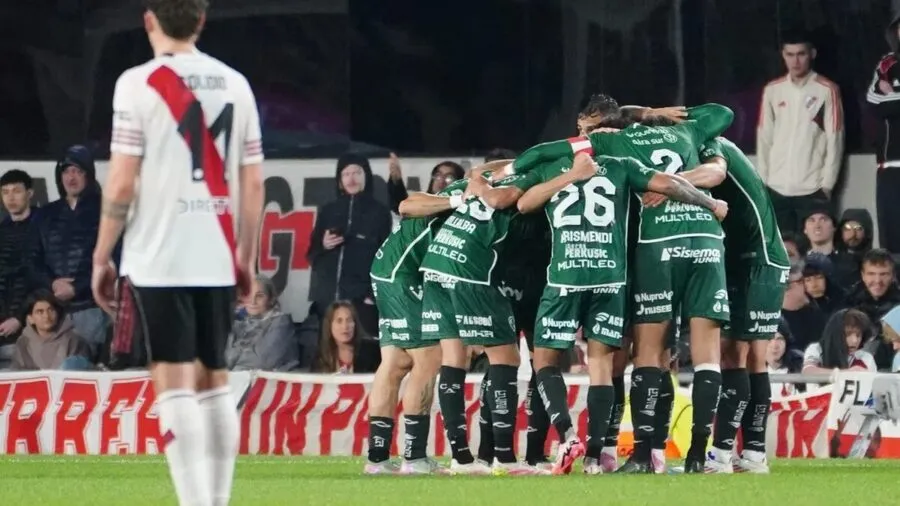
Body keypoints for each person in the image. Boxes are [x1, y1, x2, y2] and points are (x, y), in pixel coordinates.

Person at [89, 1, 264, 504]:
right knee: (213, 382)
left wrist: (103, 255)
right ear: (202, 21)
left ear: (149, 21)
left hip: (159, 253)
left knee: (174, 382)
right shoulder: (235, 83)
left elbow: (122, 181)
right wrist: (245, 257)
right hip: (215, 251)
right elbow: (253, 183)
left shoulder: (135, 83)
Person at [516, 148, 726, 475]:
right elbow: (669, 184)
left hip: (565, 278)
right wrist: (710, 203)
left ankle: (569, 436)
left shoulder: (554, 164)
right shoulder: (623, 164)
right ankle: (594, 459)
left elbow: (524, 203)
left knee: (544, 360)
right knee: (601, 365)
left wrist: (571, 175)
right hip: (610, 280)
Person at [672, 136, 791, 473]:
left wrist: (667, 181)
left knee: (743, 355)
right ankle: (748, 454)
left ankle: (727, 454)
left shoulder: (712, 145)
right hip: (745, 260)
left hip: (761, 260)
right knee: (741, 356)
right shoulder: (702, 147)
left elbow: (715, 174)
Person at [364, 167, 476, 475]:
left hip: (388, 270)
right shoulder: (456, 197)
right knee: (428, 359)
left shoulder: (474, 186)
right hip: (402, 276)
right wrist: (458, 200)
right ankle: (413, 458)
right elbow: (405, 206)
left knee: (395, 363)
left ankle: (377, 459)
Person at [757, 31, 844, 235]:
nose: (795, 61)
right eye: (789, 54)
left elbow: (835, 139)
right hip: (776, 187)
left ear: (812, 54)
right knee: (781, 251)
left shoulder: (827, 89)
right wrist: (763, 182)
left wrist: (827, 185)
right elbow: (764, 138)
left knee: (812, 253)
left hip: (812, 188)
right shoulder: (773, 90)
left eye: (801, 54)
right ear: (783, 55)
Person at [306, 154, 392, 337]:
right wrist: (323, 245)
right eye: (346, 174)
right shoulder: (328, 210)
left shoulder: (380, 212)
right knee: (327, 355)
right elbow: (311, 254)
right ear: (339, 180)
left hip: (362, 302)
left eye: (357, 173)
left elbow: (387, 258)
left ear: (366, 177)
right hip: (328, 301)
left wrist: (371, 296)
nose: (351, 178)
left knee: (362, 355)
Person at [866, 11, 900, 254]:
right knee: (891, 243)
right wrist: (888, 100)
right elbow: (873, 102)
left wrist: (892, 96)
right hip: (890, 166)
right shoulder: (887, 64)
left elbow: (887, 103)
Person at [11, 290, 92, 371]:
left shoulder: (74, 340)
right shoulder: (23, 343)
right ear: (30, 318)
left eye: (51, 310)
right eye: (40, 312)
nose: (46, 316)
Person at [311, 301, 378, 373]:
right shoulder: (320, 358)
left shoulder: (373, 352)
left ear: (355, 324)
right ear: (329, 325)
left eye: (349, 320)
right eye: (339, 321)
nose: (345, 326)